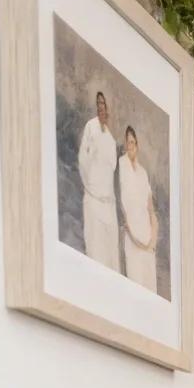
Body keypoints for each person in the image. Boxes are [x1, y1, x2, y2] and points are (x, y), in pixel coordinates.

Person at [77, 90, 119, 272]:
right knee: (95, 252)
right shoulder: (90, 127)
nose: (102, 107)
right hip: (93, 200)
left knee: (110, 256)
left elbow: (112, 168)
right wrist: (91, 187)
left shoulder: (110, 138)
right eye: (99, 104)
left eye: (105, 104)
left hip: (108, 204)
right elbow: (83, 159)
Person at [118, 126, 159, 293]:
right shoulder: (121, 164)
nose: (130, 147)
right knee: (135, 287)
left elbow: (150, 208)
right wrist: (134, 236)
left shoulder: (143, 173)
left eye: (133, 143)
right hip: (132, 236)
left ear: (137, 145)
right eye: (127, 143)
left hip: (147, 237)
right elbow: (122, 200)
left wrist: (152, 240)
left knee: (150, 288)